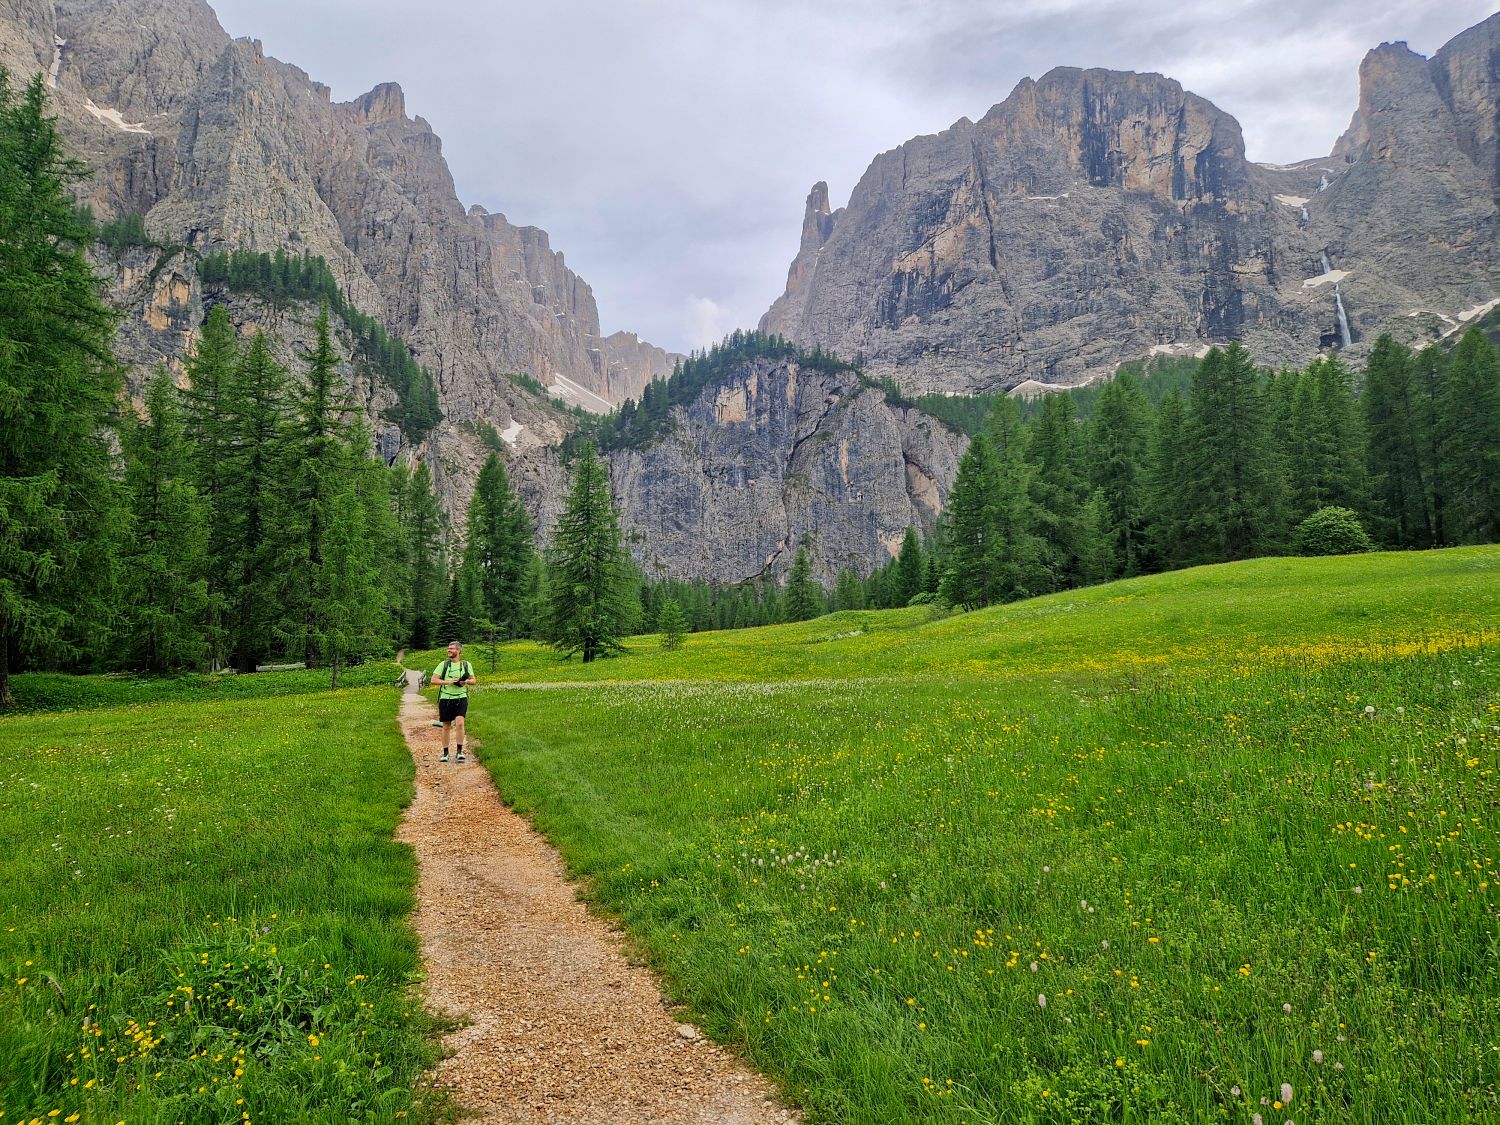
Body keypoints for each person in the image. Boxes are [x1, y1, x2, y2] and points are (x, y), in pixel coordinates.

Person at [432, 641, 476, 762]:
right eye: (448, 648)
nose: (448, 650)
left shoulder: (466, 665)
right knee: (446, 726)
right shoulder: (443, 664)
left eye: (451, 648)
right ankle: (445, 753)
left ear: (459, 651)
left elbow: (473, 680)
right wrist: (449, 682)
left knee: (460, 723)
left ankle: (459, 752)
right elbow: (433, 680)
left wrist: (464, 682)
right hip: (445, 698)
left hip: (461, 698)